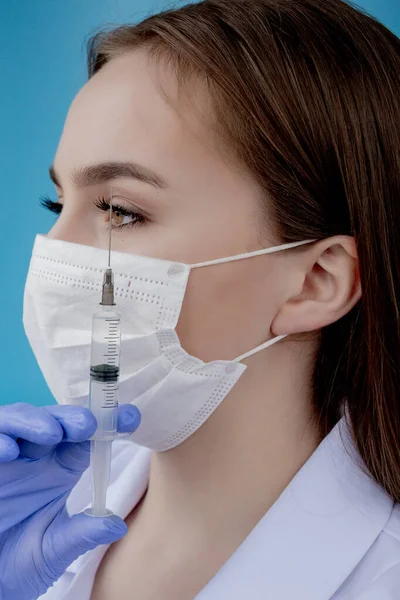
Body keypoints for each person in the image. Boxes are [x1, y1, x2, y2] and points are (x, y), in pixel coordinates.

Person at [1, 0, 399, 598]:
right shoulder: (41, 522)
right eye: (59, 206)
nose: (56, 254)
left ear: (318, 280)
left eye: (120, 211)